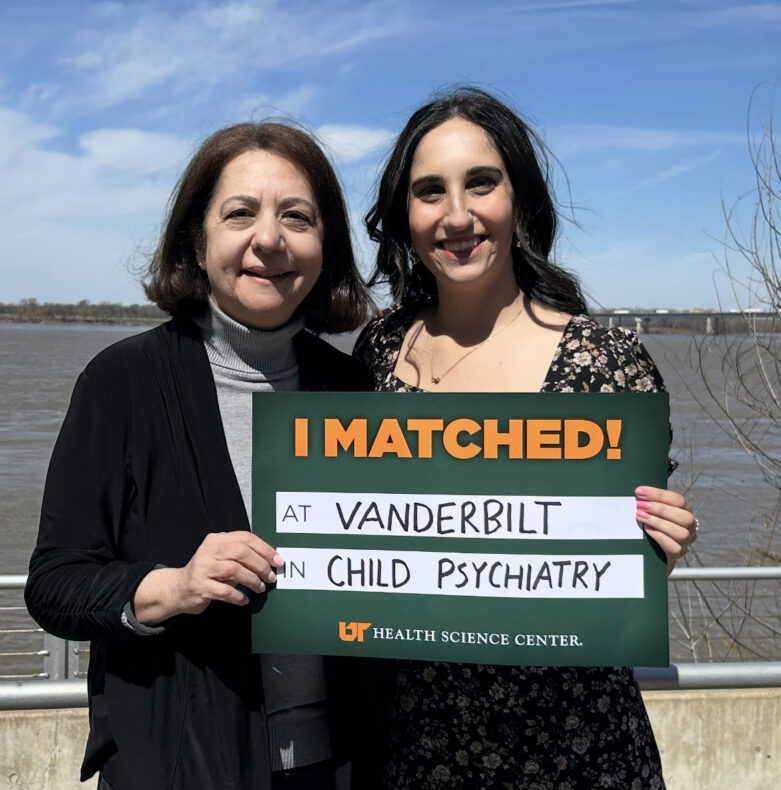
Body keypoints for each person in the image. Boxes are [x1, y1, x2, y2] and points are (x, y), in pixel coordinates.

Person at [354, 87, 699, 789]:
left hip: (578, 751)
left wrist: (659, 548)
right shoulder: (378, 352)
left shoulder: (606, 362)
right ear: (404, 216)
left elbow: (617, 574)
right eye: (429, 191)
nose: (457, 215)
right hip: (413, 747)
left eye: (480, 182)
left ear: (520, 197)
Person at [25, 121, 375, 790]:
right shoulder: (121, 380)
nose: (268, 239)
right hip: (179, 761)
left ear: (324, 245)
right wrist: (176, 586)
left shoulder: (353, 388)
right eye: (240, 213)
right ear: (198, 237)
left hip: (339, 762)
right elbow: (54, 584)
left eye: (296, 217)